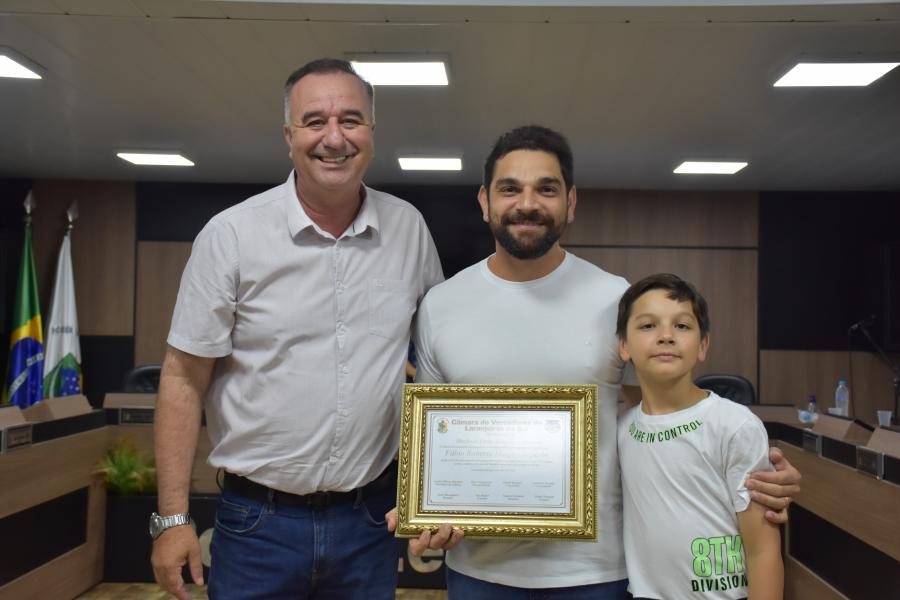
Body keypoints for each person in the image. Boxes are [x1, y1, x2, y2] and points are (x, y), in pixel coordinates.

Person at [387, 125, 798, 599]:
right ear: (485, 201)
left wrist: (747, 470)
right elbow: (433, 440)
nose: (527, 204)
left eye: (546, 189)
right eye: (510, 189)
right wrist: (428, 511)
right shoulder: (441, 305)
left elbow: (661, 414)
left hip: (596, 573)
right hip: (479, 571)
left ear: (571, 202)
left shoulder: (614, 298)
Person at [150, 58, 443, 600]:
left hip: (369, 523)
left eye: (350, 120)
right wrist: (172, 519)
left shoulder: (408, 229)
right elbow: (183, 377)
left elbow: (436, 367)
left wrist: (437, 492)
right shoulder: (231, 235)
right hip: (257, 526)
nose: (334, 137)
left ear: (372, 132)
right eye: (315, 121)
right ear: (289, 137)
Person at [616, 274, 783, 599]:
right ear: (624, 345)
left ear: (703, 344)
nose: (666, 336)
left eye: (682, 326)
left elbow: (764, 553)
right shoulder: (622, 430)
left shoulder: (735, 425)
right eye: (648, 325)